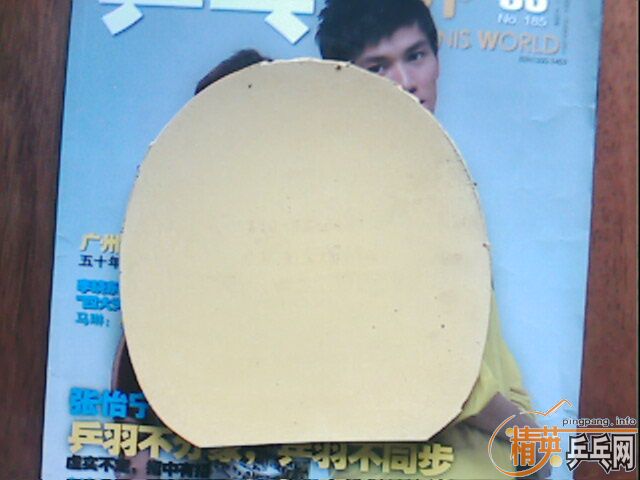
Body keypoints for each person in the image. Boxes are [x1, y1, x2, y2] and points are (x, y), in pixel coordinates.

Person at [317, 1, 546, 478]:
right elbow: (430, 362)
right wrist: (523, 432)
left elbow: (489, 344)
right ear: (346, 83)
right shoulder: (353, 192)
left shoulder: (442, 176)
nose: (406, 81)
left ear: (438, 59)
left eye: (416, 56)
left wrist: (529, 443)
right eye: (378, 67)